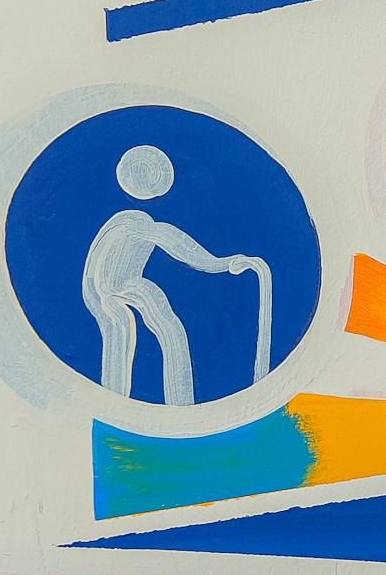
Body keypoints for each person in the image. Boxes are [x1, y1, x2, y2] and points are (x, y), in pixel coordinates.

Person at [81, 144, 268, 405]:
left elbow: (173, 243)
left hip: (109, 288)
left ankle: (172, 404)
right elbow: (174, 242)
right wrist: (222, 263)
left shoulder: (130, 224)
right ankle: (160, 404)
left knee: (157, 329)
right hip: (109, 288)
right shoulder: (138, 224)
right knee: (144, 329)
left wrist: (223, 263)